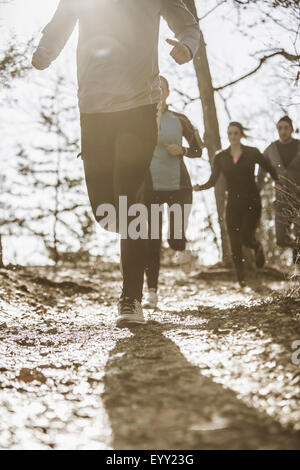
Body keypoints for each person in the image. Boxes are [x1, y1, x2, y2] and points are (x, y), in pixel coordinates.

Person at [31, 0, 200, 327]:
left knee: (130, 198)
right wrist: (45, 51)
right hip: (94, 108)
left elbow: (188, 25)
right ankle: (134, 241)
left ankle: (131, 297)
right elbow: (61, 22)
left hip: (139, 105)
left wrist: (187, 47)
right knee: (105, 210)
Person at [194, 122, 278, 287]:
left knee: (246, 237)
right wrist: (200, 187)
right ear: (228, 135)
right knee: (234, 243)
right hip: (232, 203)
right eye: (230, 133)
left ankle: (257, 247)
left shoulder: (252, 153)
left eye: (236, 133)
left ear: (241, 135)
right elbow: (213, 180)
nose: (233, 136)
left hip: (251, 202)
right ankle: (240, 277)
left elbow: (268, 167)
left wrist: (277, 181)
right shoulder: (221, 157)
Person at [143, 76, 203, 308]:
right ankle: (152, 294)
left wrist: (183, 149)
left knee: (175, 239)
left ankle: (182, 248)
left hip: (179, 187)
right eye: (154, 87)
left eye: (162, 88)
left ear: (168, 92)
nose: (158, 91)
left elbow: (198, 149)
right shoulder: (141, 119)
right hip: (150, 187)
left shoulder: (180, 119)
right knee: (151, 240)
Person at [257, 116, 300, 271]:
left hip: (299, 198)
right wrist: (257, 191)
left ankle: (297, 264)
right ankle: (296, 249)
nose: (282, 131)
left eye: (286, 128)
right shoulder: (271, 149)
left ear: (291, 129)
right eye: (280, 128)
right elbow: (261, 171)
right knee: (281, 239)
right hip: (281, 199)